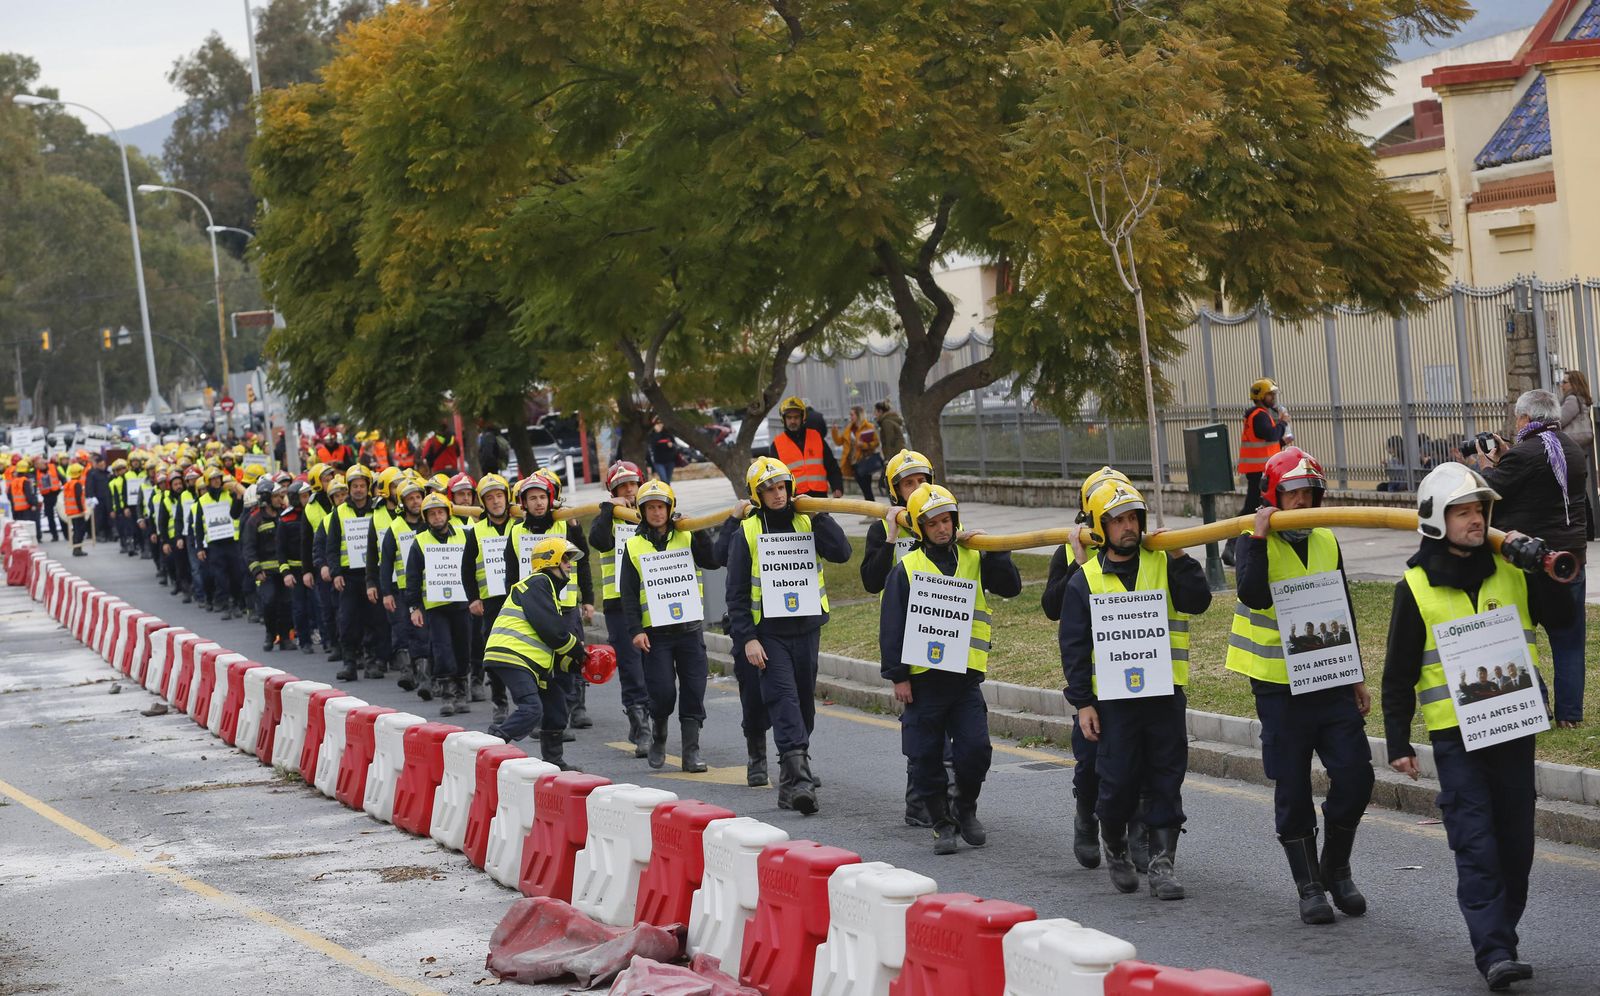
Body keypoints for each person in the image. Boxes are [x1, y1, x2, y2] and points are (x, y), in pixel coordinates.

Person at [1383, 462, 1572, 992]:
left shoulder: (1510, 571)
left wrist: (1541, 567)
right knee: (1476, 844)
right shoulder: (1415, 586)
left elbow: (1560, 620)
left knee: (1516, 847)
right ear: (1438, 520)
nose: (1475, 520)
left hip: (1514, 732)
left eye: (1479, 511)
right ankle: (1493, 951)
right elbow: (1398, 671)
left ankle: (1501, 935)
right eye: (1463, 511)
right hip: (1456, 740)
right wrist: (1398, 739)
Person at [1224, 446, 1374, 925]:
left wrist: (1356, 676)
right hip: (1278, 689)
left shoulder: (1327, 540)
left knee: (1356, 775)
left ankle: (1336, 866)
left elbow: (1341, 605)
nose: (1304, 503)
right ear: (1274, 497)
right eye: (1293, 495)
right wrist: (1260, 536)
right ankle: (1309, 884)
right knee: (1292, 786)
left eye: (1310, 494)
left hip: (1329, 681)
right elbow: (1251, 591)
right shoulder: (1253, 538)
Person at [1060, 482, 1212, 898]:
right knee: (1117, 782)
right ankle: (1116, 847)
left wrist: (1180, 553)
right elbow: (1074, 647)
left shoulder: (1163, 561)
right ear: (1099, 526)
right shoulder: (1084, 580)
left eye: (1133, 518)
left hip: (1163, 695)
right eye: (1118, 521)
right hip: (1113, 703)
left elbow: (1198, 601)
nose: (1129, 528)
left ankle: (1163, 865)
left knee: (1166, 778)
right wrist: (1083, 704)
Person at [880, 484, 1021, 854]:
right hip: (923, 683)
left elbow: (1011, 587)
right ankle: (942, 823)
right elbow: (892, 624)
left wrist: (996, 553)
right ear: (920, 529)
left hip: (964, 679)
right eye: (934, 523)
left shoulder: (974, 557)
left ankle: (965, 807)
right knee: (924, 756)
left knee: (975, 750)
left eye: (947, 520)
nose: (943, 529)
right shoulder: (907, 568)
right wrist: (899, 675)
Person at [723, 457, 851, 813]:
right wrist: (747, 637)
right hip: (769, 634)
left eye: (781, 487)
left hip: (806, 629)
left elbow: (842, 552)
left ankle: (791, 774)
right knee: (783, 701)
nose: (777, 495)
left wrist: (821, 515)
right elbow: (735, 593)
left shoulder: (807, 520)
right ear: (757, 495)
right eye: (768, 490)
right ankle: (799, 782)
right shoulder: (746, 532)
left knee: (804, 704)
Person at [1042, 466, 1153, 872]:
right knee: (1091, 761)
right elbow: (1052, 607)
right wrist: (1078, 562)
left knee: (1139, 761)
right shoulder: (1071, 551)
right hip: (1093, 682)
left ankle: (1137, 831)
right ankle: (1086, 819)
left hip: (1139, 678)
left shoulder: (1145, 553)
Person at [1472, 388, 1588, 728]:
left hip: (1529, 561)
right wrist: (1510, 453)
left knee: (1520, 638)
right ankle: (1570, 716)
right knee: (1568, 640)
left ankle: (1537, 705)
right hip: (1569, 562)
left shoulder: (1524, 455)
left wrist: (1484, 464)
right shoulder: (1571, 449)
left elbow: (1491, 492)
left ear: (1524, 418)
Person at [619, 480, 720, 772]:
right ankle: (659, 736)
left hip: (689, 631)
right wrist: (635, 630)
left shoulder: (686, 536)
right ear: (642, 511)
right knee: (663, 693)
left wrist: (696, 531)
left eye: (661, 506)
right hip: (656, 636)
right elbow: (627, 592)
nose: (656, 513)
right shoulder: (634, 545)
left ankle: (692, 751)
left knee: (694, 690)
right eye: (650, 507)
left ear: (670, 508)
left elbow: (711, 561)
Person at [484, 535, 584, 770]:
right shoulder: (540, 582)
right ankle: (488, 745)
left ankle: (553, 761)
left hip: (529, 663)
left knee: (556, 704)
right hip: (512, 656)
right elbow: (551, 630)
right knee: (531, 709)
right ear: (552, 561)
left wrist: (574, 663)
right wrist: (578, 650)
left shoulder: (546, 590)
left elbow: (549, 642)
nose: (570, 565)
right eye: (566, 559)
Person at [506, 470, 595, 732]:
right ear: (524, 503)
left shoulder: (566, 525)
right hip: (532, 611)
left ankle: (576, 707)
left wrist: (588, 599)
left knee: (573, 657)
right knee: (540, 662)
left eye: (542, 497)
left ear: (551, 499)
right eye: (532, 498)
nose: (538, 503)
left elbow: (584, 560)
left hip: (566, 607)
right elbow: (511, 574)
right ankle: (547, 717)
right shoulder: (515, 533)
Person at [588, 461, 654, 758]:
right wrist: (607, 508)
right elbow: (598, 540)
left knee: (655, 666)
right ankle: (640, 724)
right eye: (622, 486)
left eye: (633, 484)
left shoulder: (654, 513)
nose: (629, 491)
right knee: (630, 665)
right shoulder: (609, 519)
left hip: (654, 600)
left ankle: (653, 718)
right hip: (618, 605)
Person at [406, 492, 483, 714]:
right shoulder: (420, 542)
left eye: (441, 512)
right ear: (426, 518)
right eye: (432, 514)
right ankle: (447, 693)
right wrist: (414, 607)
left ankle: (461, 690)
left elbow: (472, 569)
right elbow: (412, 577)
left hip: (462, 605)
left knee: (463, 646)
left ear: (448, 514)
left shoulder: (464, 536)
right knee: (442, 648)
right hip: (436, 607)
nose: (437, 517)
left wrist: (475, 597)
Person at [319, 464, 390, 682]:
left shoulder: (378, 510)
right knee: (347, 620)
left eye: (362, 485)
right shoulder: (339, 512)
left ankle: (373, 662)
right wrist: (336, 572)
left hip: (372, 574)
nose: (358, 489)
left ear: (368, 487)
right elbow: (331, 547)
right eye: (354, 486)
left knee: (375, 619)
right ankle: (350, 663)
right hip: (348, 576)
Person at [370, 476, 430, 692]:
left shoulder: (429, 524)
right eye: (411, 498)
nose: (415, 502)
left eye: (418, 497)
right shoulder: (394, 527)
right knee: (405, 630)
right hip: (401, 589)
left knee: (424, 631)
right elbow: (384, 563)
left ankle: (425, 676)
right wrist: (386, 592)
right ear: (403, 502)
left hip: (430, 588)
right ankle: (411, 671)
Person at [1226, 378, 1290, 565]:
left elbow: (1267, 441)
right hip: (1260, 472)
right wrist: (1283, 423)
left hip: (1263, 471)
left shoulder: (1259, 414)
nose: (1273, 397)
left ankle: (1235, 547)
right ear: (1261, 396)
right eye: (1270, 394)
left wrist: (1282, 442)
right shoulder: (1260, 415)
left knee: (1259, 508)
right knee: (1251, 509)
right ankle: (1231, 547)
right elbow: (1269, 434)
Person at [243, 479, 292, 653]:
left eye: (281, 496)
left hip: (285, 570)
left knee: (286, 603)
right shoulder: (254, 521)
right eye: (277, 497)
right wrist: (256, 570)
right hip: (266, 573)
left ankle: (285, 637)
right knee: (269, 602)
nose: (281, 499)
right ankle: (270, 634)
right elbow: (249, 548)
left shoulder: (284, 516)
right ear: (266, 498)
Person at [192, 466, 246, 619]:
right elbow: (198, 525)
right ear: (208, 482)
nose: (217, 481)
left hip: (231, 542)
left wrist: (238, 498)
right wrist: (200, 547)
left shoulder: (228, 495)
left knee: (236, 575)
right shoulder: (202, 500)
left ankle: (237, 603)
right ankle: (225, 605)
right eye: (213, 479)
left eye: (218, 478)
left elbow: (235, 514)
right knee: (220, 577)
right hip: (214, 544)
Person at [772, 397, 843, 499]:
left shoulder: (816, 437)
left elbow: (832, 465)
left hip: (819, 496)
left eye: (796, 417)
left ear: (802, 418)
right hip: (795, 499)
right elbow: (776, 477)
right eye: (789, 417)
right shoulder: (777, 444)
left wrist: (837, 487)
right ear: (783, 419)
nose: (793, 421)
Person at [278, 480, 318, 654]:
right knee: (300, 607)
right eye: (303, 496)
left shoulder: (313, 513)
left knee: (318, 606)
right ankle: (304, 640)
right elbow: (280, 550)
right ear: (294, 498)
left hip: (315, 567)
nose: (307, 499)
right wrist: (286, 572)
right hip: (295, 571)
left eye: (308, 495)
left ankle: (326, 638)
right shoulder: (286, 519)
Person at [1558, 371, 1597, 540]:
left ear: (1573, 384)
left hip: (1570, 451)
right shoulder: (1581, 398)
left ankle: (1586, 530)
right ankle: (1588, 530)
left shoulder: (1572, 399)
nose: (1562, 385)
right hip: (1579, 450)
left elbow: (1560, 420)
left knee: (1577, 492)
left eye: (1565, 382)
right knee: (1580, 491)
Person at [832, 405, 883, 502]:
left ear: (858, 415)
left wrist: (863, 445)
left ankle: (871, 510)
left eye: (852, 415)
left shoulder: (868, 427)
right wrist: (834, 431)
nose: (850, 417)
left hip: (864, 461)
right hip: (853, 463)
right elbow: (838, 442)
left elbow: (876, 443)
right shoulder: (848, 429)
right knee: (863, 488)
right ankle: (870, 510)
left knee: (866, 488)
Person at [8, 457, 39, 542]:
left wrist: (14, 504)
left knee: (20, 529)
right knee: (27, 528)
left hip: (16, 509)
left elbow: (9, 495)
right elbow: (28, 495)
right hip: (26, 509)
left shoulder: (13, 482)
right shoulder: (25, 481)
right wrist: (33, 504)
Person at [63, 462, 89, 556]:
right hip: (77, 511)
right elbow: (78, 498)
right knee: (80, 530)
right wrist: (82, 510)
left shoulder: (68, 484)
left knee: (76, 530)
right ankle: (77, 549)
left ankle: (76, 549)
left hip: (71, 511)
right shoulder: (77, 484)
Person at [87, 454, 113, 543]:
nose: (103, 466)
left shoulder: (108, 474)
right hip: (98, 499)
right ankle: (100, 534)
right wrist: (91, 497)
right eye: (101, 465)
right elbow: (89, 486)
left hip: (107, 498)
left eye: (104, 464)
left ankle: (109, 533)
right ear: (97, 465)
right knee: (99, 517)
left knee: (108, 516)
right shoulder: (93, 474)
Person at [646, 417, 678, 484]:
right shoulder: (652, 435)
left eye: (661, 423)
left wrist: (672, 445)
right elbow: (653, 446)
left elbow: (675, 445)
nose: (659, 425)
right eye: (657, 423)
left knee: (668, 481)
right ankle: (665, 493)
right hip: (659, 462)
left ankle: (668, 494)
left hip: (670, 461)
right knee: (664, 480)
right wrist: (657, 433)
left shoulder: (668, 434)